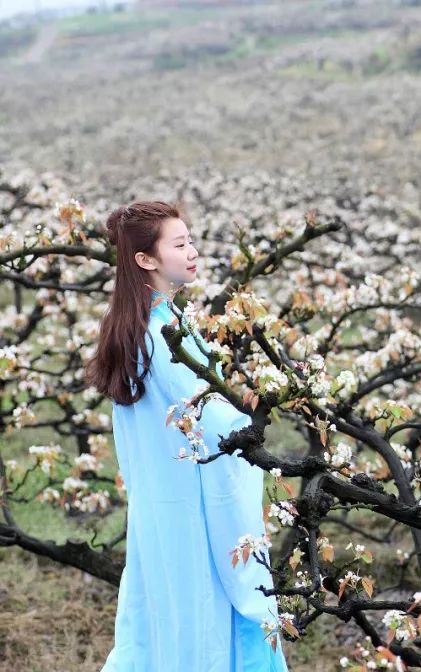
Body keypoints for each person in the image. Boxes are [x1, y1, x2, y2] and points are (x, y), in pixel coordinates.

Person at [85, 201, 289, 671]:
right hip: (193, 509)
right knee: (204, 621)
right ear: (145, 260)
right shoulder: (159, 334)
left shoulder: (148, 325)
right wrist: (256, 415)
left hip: (161, 507)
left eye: (191, 240)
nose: (193, 251)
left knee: (163, 619)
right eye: (179, 244)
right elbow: (212, 423)